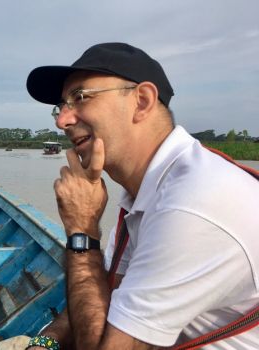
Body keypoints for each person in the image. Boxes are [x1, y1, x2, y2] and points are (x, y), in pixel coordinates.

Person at [25, 43, 259, 349]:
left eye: (80, 97)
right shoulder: (148, 192)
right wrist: (46, 342)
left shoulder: (192, 204)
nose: (62, 121)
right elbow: (105, 298)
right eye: (61, 106)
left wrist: (82, 229)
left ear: (142, 101)